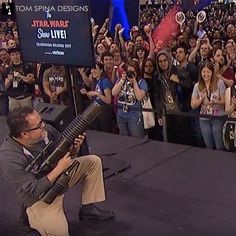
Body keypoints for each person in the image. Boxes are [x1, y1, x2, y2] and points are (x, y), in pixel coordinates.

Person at [0, 107, 114, 236]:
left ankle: (88, 210)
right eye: (39, 125)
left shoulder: (45, 131)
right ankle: (30, 215)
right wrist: (59, 168)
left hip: (60, 177)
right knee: (59, 233)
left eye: (41, 120)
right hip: (40, 197)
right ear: (25, 134)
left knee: (92, 162)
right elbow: (31, 192)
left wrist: (74, 149)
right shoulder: (9, 157)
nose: (44, 125)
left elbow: (64, 153)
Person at [191, 62, 226, 150]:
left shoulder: (220, 83)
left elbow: (225, 101)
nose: (206, 74)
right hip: (204, 118)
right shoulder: (197, 86)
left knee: (219, 145)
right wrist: (201, 98)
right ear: (201, 73)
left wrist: (216, 102)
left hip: (218, 117)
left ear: (212, 72)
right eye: (204, 72)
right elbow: (193, 105)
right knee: (208, 146)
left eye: (208, 72)